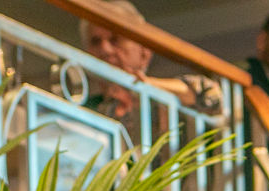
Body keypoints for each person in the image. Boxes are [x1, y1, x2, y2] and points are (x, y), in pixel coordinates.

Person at [80, 0, 223, 124]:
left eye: (115, 39)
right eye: (95, 42)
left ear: (144, 52)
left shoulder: (163, 104)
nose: (105, 49)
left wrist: (144, 85)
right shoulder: (82, 107)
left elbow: (211, 94)